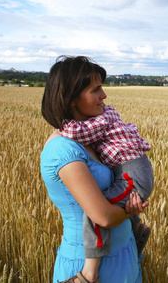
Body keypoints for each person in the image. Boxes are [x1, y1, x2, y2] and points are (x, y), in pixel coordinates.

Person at [40, 56, 148, 283]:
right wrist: (133, 210)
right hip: (89, 269)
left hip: (123, 255)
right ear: (71, 99)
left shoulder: (92, 139)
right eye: (96, 89)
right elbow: (104, 217)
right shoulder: (62, 150)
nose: (104, 95)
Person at [59, 104, 154, 276]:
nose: (103, 95)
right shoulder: (107, 114)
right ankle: (137, 228)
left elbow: (76, 133)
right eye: (96, 90)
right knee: (114, 197)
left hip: (131, 176)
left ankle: (89, 273)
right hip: (134, 172)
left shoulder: (102, 119)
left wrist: (62, 123)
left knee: (95, 213)